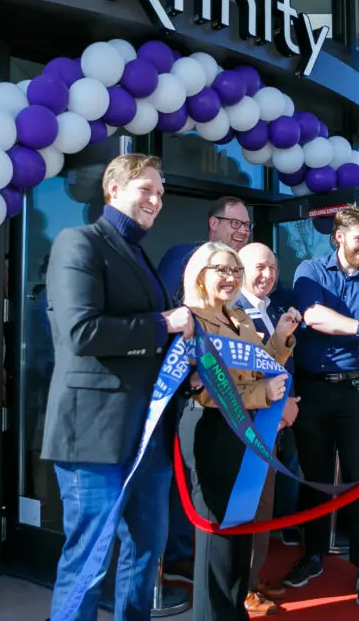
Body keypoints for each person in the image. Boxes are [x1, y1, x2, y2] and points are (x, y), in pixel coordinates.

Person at [41, 154, 194, 621]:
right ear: (113, 190)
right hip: (93, 437)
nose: (155, 200)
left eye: (160, 192)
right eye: (146, 189)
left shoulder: (139, 253)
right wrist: (164, 322)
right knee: (88, 563)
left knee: (146, 553)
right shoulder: (78, 242)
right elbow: (81, 333)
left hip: (146, 437)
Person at [178, 242, 299, 621]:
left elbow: (259, 366)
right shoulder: (191, 318)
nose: (230, 278)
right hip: (212, 430)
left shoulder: (239, 317)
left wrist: (279, 338)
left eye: (234, 271)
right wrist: (265, 393)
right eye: (220, 270)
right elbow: (206, 389)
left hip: (244, 429)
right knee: (216, 536)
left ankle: (233, 611)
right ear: (200, 274)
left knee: (239, 533)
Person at [282, 205, 359, 607]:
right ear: (339, 236)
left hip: (356, 392)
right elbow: (313, 316)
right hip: (312, 391)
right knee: (313, 477)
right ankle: (312, 556)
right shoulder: (310, 271)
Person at [157, 195, 253, 582]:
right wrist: (188, 372)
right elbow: (168, 318)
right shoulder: (182, 257)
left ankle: (213, 565)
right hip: (189, 395)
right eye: (234, 223)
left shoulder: (245, 271)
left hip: (234, 401)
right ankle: (178, 555)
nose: (241, 231)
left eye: (246, 226)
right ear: (212, 224)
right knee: (186, 482)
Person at [234, 243, 300, 615]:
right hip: (245, 431)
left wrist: (289, 404)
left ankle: (253, 579)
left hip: (272, 427)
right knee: (247, 509)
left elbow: (279, 363)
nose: (268, 274)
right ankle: (241, 587)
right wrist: (280, 405)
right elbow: (245, 376)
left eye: (272, 267)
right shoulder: (233, 312)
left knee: (264, 510)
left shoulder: (271, 309)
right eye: (259, 267)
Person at [157, 196, 253, 302]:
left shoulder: (254, 266)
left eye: (247, 225)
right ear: (214, 223)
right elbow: (162, 305)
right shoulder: (184, 256)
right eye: (236, 223)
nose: (244, 231)